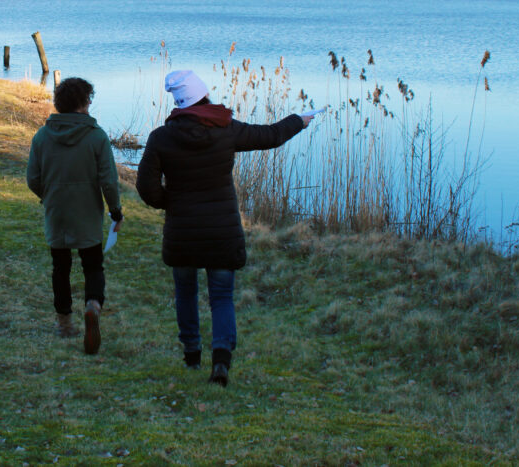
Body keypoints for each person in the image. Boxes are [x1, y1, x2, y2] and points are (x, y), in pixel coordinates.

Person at [135, 69, 312, 386]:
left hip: (183, 233)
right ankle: (221, 361)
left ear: (178, 102)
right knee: (221, 297)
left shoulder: (161, 138)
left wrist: (171, 203)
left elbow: (146, 188)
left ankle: (192, 354)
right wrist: (299, 120)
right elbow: (270, 135)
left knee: (185, 293)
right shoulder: (226, 130)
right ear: (204, 96)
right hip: (222, 232)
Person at [27, 77, 122, 355]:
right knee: (93, 265)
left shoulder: (42, 136)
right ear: (82, 104)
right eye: (88, 99)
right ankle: (93, 305)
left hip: (57, 210)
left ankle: (64, 323)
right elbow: (109, 181)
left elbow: (33, 177)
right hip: (87, 212)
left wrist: (48, 196)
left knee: (61, 267)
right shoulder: (96, 136)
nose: (91, 103)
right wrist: (115, 209)